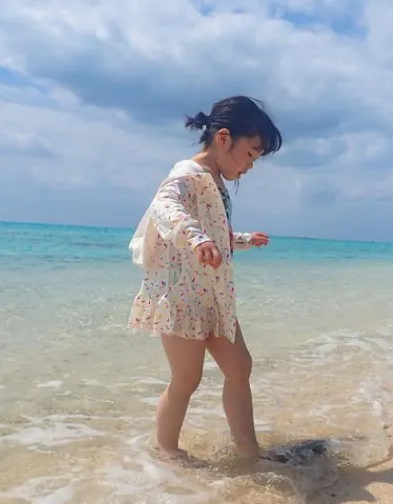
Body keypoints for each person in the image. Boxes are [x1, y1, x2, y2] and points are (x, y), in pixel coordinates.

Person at [127, 95, 282, 463]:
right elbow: (165, 207)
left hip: (213, 296)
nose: (250, 166)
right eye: (251, 153)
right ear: (224, 138)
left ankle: (248, 449)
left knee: (240, 366)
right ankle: (167, 450)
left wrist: (242, 240)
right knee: (186, 379)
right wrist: (195, 238)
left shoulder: (216, 182)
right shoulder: (187, 174)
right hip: (180, 297)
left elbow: (216, 235)